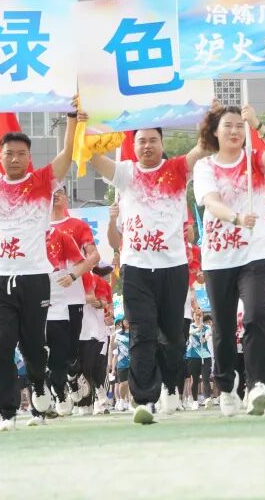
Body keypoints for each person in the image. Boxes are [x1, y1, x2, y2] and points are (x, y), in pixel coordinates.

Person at [83, 124, 212, 425]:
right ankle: (144, 400)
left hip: (173, 267)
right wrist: (83, 124)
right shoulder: (126, 173)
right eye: (141, 141)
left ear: (162, 143)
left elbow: (202, 148)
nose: (147, 146)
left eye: (153, 140)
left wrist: (210, 117)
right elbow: (94, 158)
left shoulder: (177, 169)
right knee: (141, 333)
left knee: (172, 337)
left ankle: (170, 386)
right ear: (134, 145)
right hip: (136, 268)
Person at [0, 101, 79, 432]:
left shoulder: (43, 181)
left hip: (34, 278)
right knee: (2, 344)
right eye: (9, 154)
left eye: (21, 153)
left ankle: (37, 385)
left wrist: (72, 119)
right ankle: (6, 411)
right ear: (0, 157)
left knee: (33, 346)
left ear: (29, 157)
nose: (15, 158)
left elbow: (67, 155)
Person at [193, 102, 265, 417]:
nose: (234, 131)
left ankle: (259, 384)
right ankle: (226, 386)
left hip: (254, 252)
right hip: (218, 257)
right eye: (227, 126)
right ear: (215, 132)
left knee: (256, 314)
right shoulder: (205, 167)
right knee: (222, 325)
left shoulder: (254, 161)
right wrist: (235, 218)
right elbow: (211, 202)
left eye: (238, 126)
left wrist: (258, 125)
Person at [48, 187, 109, 408]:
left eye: (60, 191)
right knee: (50, 346)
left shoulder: (77, 226)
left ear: (66, 198)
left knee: (72, 349)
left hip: (73, 295)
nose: (55, 195)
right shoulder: (37, 227)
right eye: (51, 191)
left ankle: (73, 376)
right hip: (46, 297)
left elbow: (94, 256)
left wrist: (74, 274)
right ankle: (59, 393)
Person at [42, 220, 87, 420]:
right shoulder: (23, 236)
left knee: (60, 357)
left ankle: (60, 391)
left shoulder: (61, 236)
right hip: (32, 307)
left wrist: (72, 276)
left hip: (57, 309)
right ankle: (43, 399)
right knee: (36, 356)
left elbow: (82, 262)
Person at [76, 270, 114, 415]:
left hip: (95, 332)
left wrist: (93, 301)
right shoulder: (63, 278)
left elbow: (105, 303)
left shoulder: (97, 280)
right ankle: (83, 402)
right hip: (73, 330)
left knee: (95, 368)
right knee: (79, 369)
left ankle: (100, 400)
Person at [184, 307, 214, 410]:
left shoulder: (207, 327)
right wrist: (198, 329)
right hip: (193, 356)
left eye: (200, 315)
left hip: (205, 356)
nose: (198, 317)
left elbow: (208, 335)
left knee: (205, 378)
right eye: (196, 315)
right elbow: (189, 332)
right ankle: (195, 401)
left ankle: (207, 399)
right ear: (193, 316)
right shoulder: (190, 326)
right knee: (195, 379)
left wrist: (204, 338)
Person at [113, 320, 132, 412]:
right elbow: (113, 349)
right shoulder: (118, 334)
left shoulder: (134, 333)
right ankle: (121, 400)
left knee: (132, 383)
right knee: (123, 383)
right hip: (122, 363)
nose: (127, 322)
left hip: (133, 362)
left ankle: (131, 402)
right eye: (125, 320)